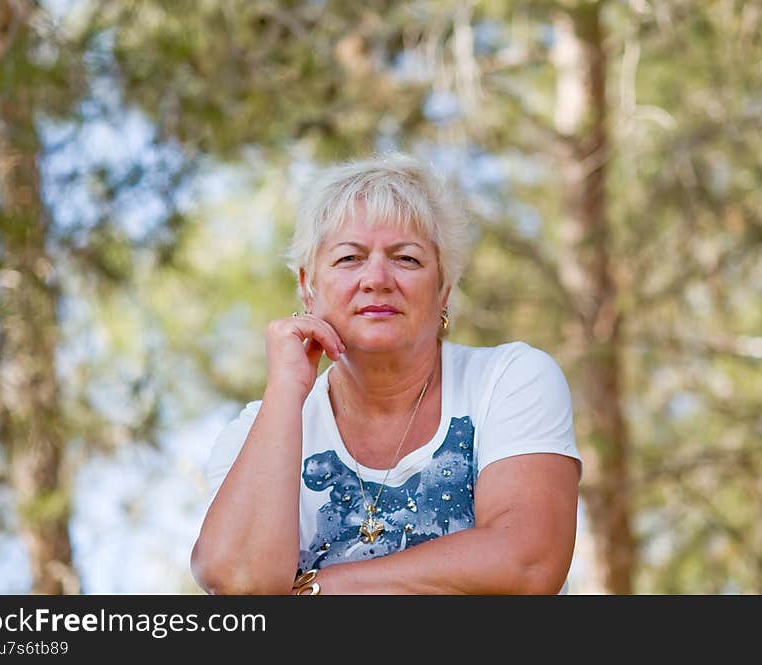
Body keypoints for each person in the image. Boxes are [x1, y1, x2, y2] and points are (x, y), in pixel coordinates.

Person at [190, 152, 582, 595]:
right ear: (307, 287)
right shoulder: (255, 433)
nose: (376, 278)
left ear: (443, 292)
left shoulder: (509, 380)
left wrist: (316, 589)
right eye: (349, 258)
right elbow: (238, 584)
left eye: (407, 259)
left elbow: (527, 564)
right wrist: (285, 388)